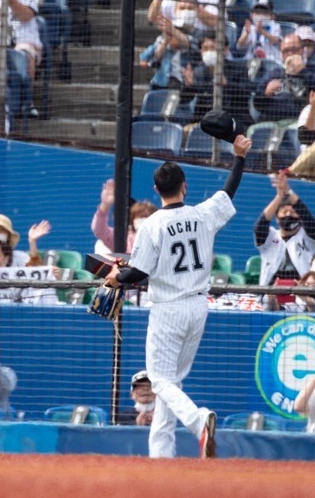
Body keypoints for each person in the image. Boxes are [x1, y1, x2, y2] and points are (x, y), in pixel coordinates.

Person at [103, 135, 253, 459]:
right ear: (184, 185)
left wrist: (116, 276)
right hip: (198, 306)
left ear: (156, 191)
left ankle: (200, 422)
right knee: (171, 385)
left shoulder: (153, 224)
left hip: (168, 308)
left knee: (159, 381)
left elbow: (138, 273)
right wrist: (239, 157)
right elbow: (228, 191)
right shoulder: (203, 214)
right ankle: (161, 455)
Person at [254, 170, 315, 286]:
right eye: (284, 211)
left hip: (301, 293)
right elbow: (260, 225)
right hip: (269, 292)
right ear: (277, 218)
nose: (288, 214)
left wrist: (288, 192)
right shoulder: (270, 237)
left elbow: (308, 218)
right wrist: (279, 197)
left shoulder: (308, 237)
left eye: (293, 212)